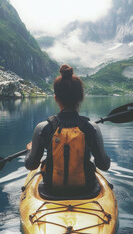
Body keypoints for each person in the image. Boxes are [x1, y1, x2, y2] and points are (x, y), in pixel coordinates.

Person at [25, 64, 110, 197]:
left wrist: (30, 150)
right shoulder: (91, 127)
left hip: (50, 190)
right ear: (81, 97)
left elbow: (31, 165)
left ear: (56, 98)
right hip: (87, 191)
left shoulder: (42, 128)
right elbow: (104, 165)